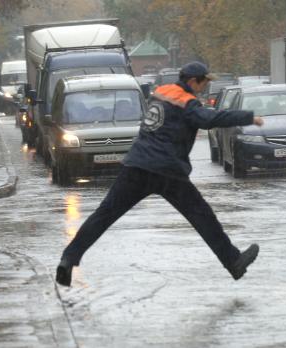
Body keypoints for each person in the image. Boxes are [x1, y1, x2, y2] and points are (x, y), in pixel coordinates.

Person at [56, 61, 264, 287]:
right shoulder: (188, 103)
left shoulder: (160, 93)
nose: (205, 87)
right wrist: (248, 117)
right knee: (203, 217)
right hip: (168, 172)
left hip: (136, 166)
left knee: (104, 215)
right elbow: (211, 119)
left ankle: (68, 259)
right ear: (193, 81)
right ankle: (233, 262)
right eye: (204, 82)